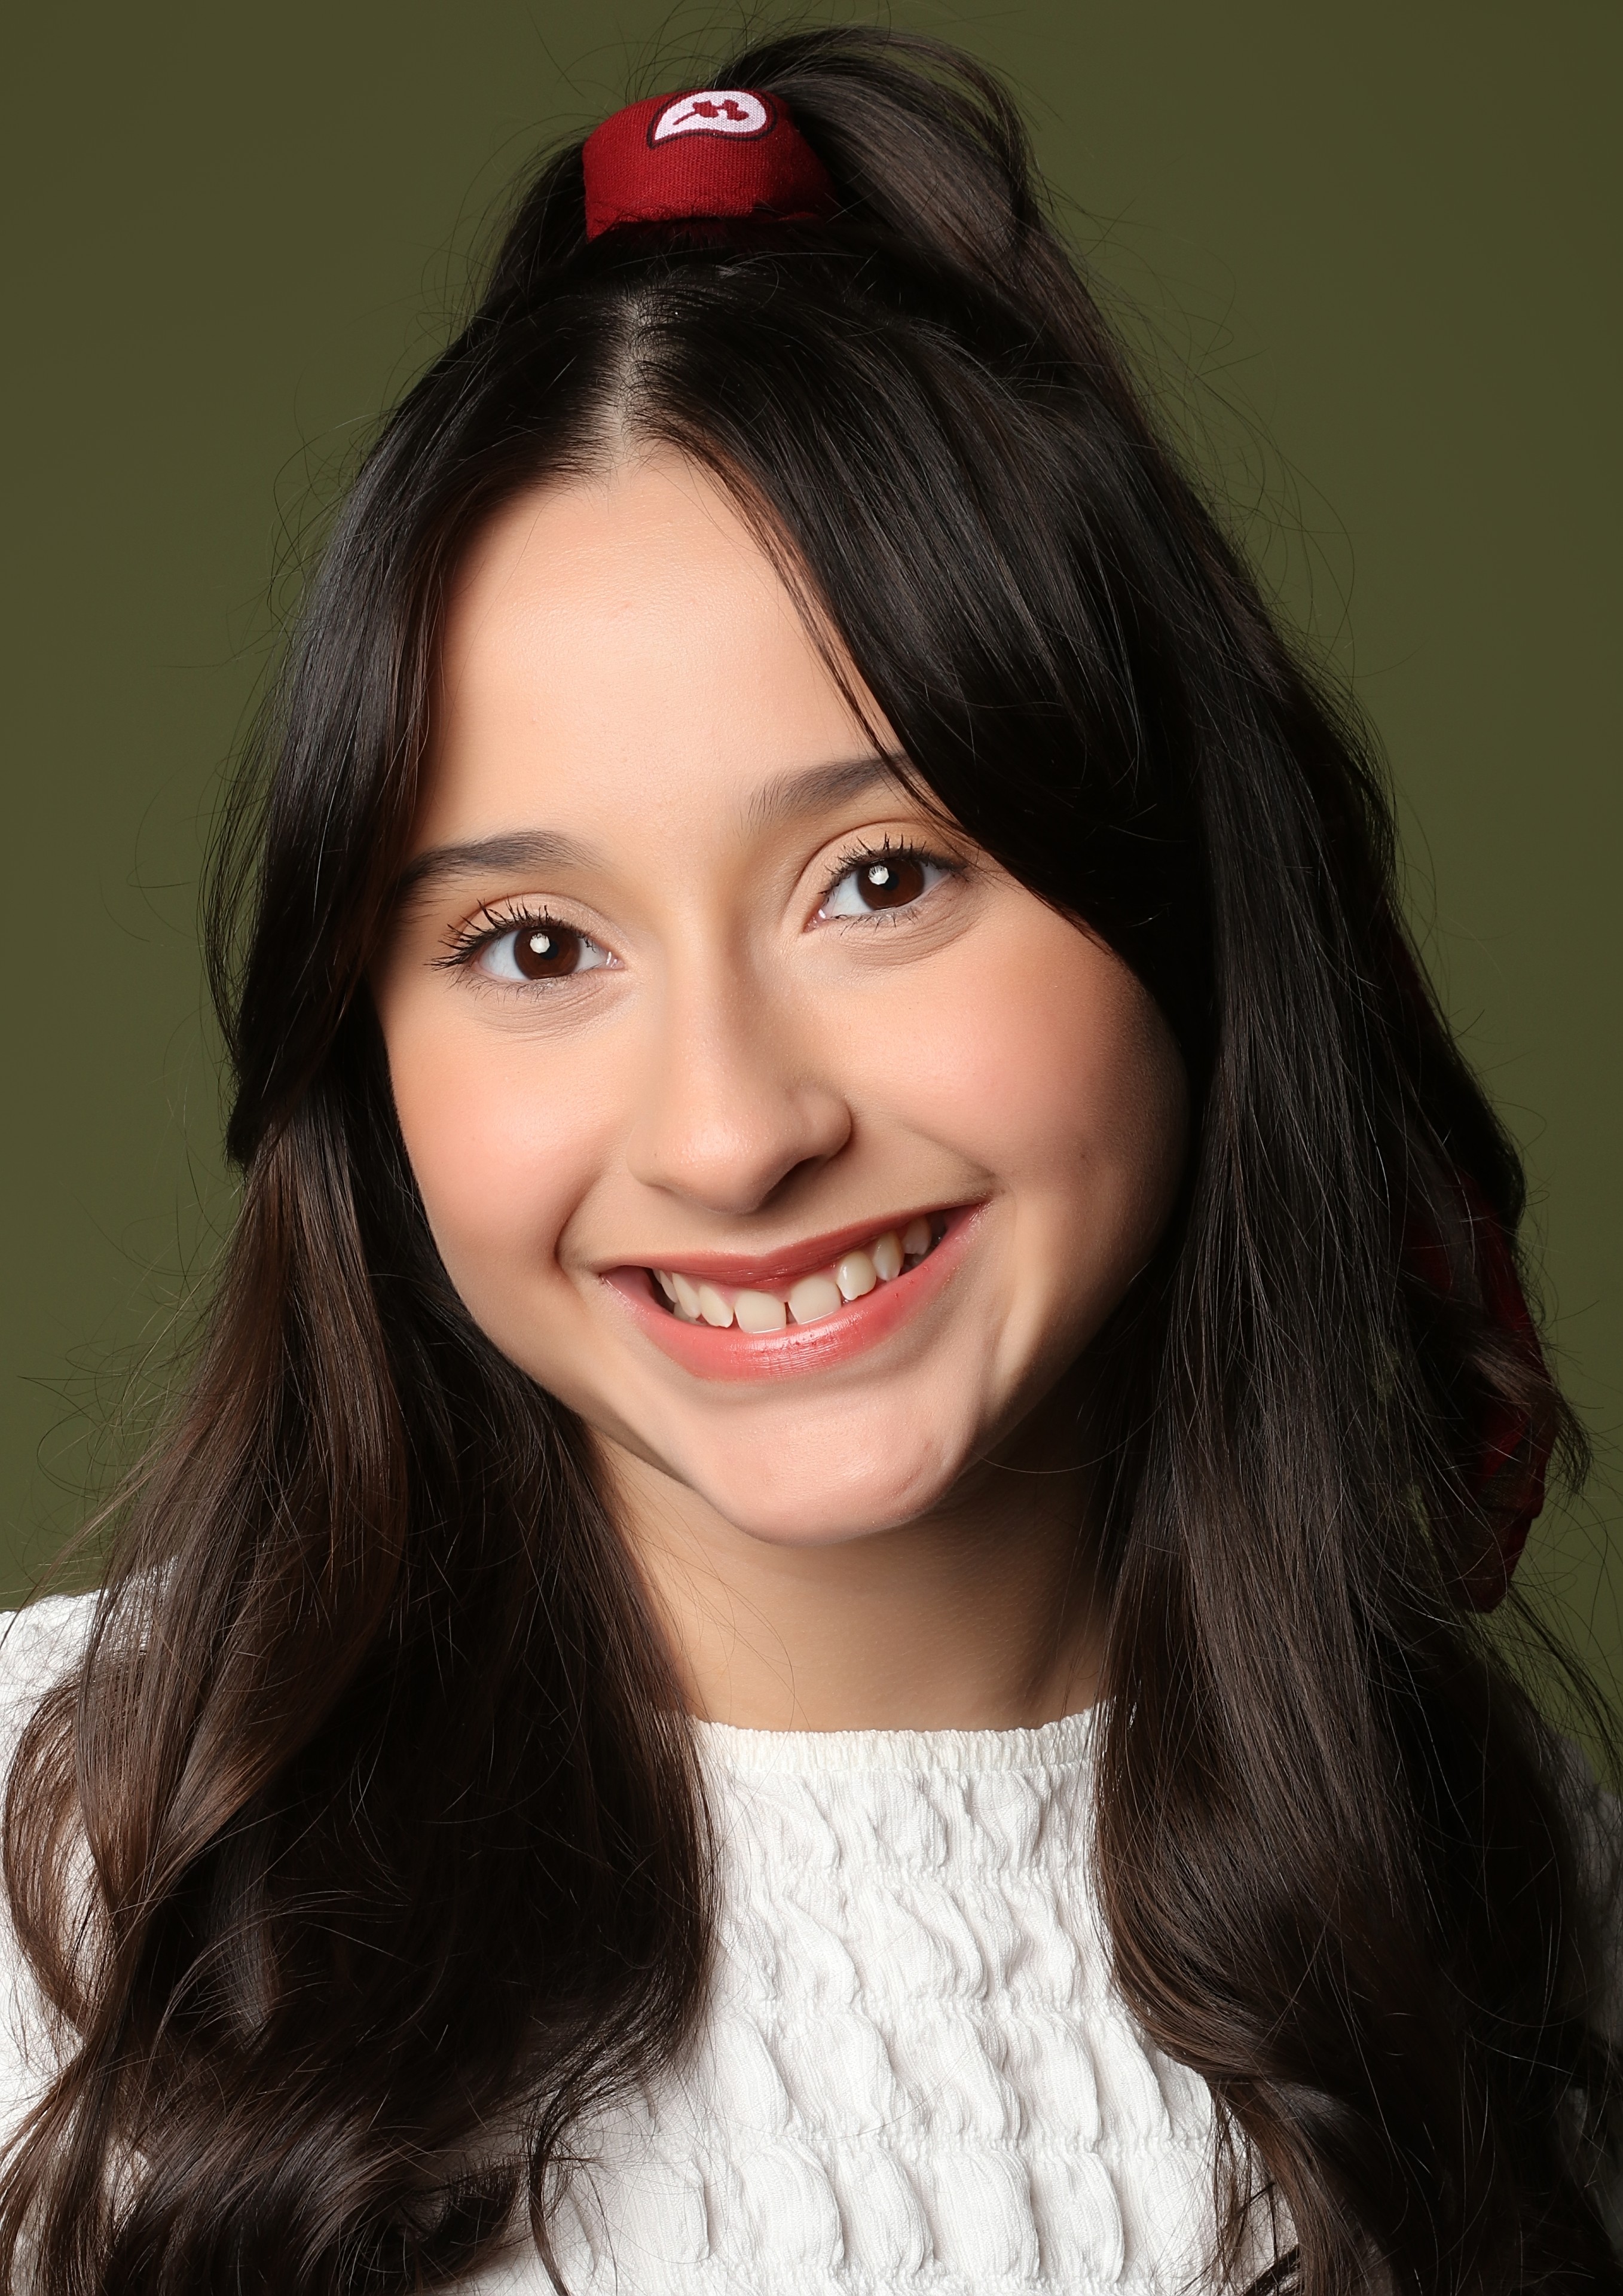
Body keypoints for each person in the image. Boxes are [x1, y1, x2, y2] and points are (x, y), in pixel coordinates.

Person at [0, 26, 1615, 2294]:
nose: (732, 1132)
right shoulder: (67, 1880)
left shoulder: (1522, 1919)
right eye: (533, 943)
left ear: (1181, 909)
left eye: (880, 879)